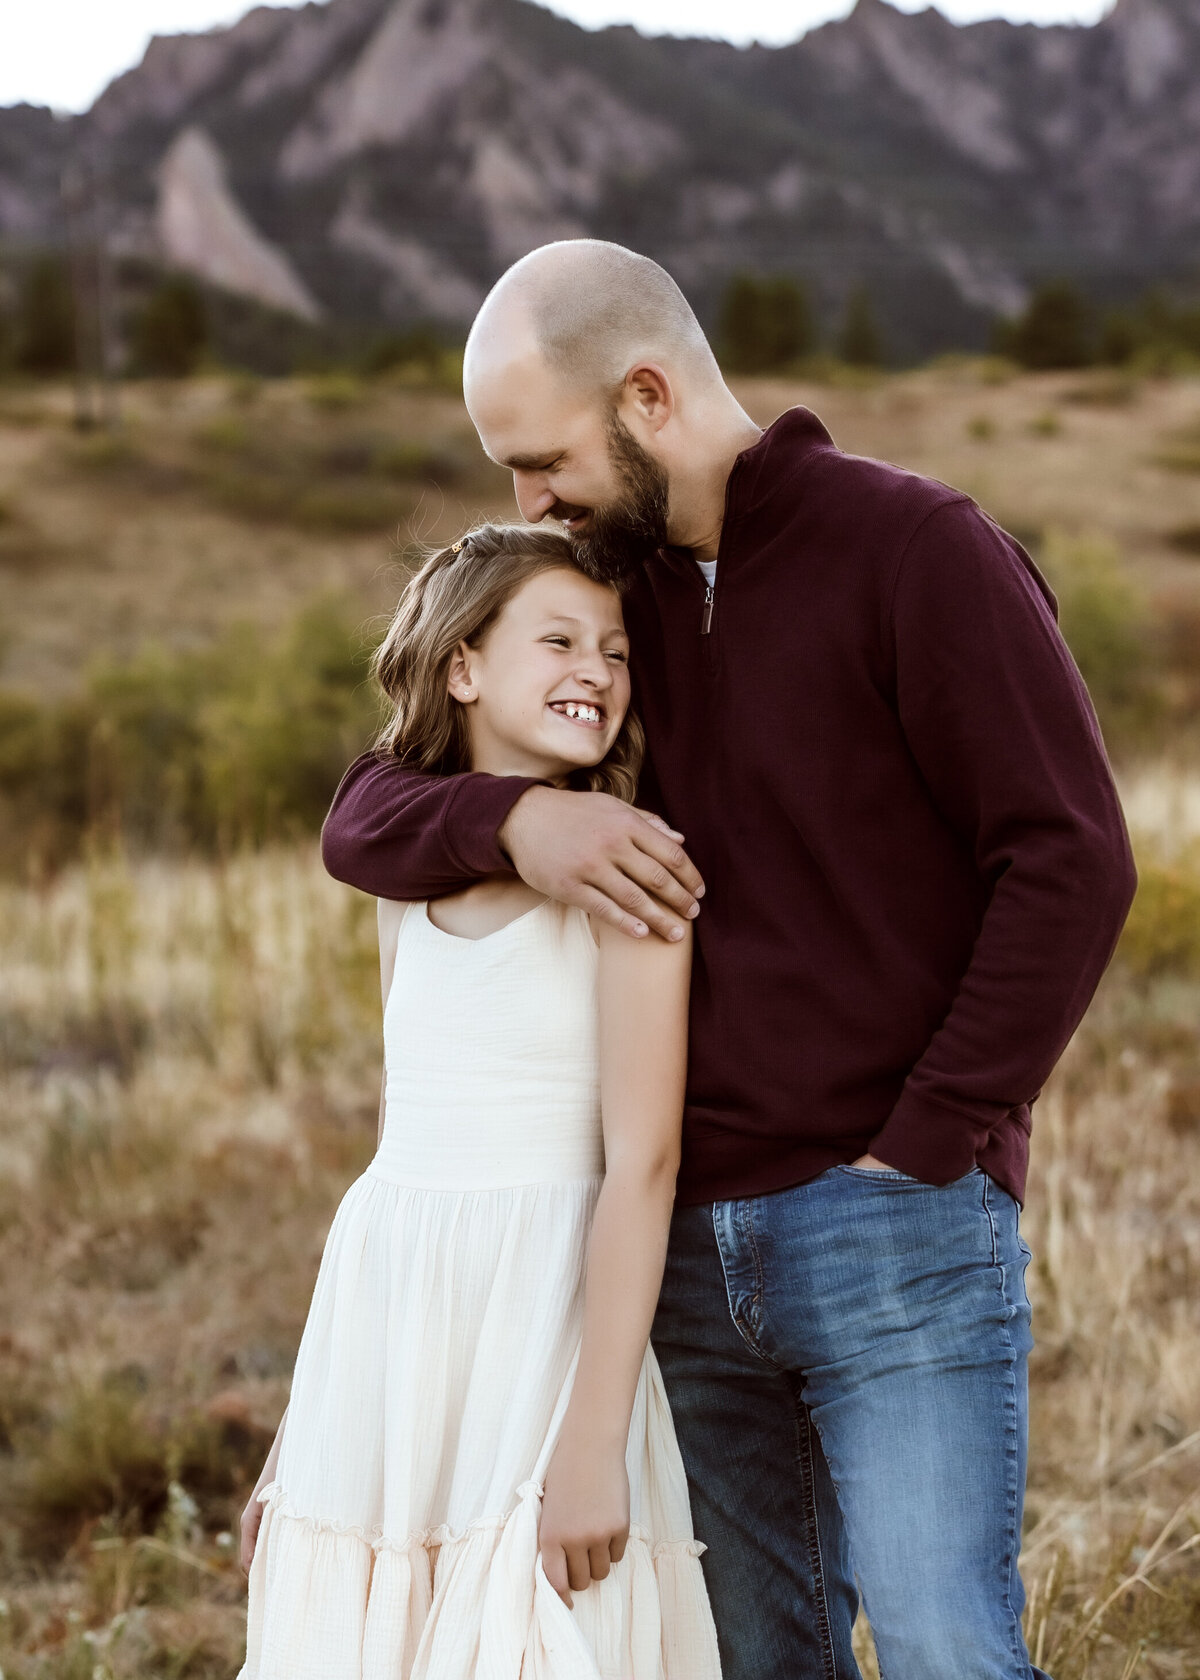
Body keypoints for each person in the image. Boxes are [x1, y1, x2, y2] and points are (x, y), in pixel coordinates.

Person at [321, 241, 1138, 1680]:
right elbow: (365, 812)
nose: (528, 501)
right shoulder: (617, 607)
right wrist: (518, 819)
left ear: (646, 394)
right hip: (680, 1257)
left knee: (948, 1646)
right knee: (762, 1661)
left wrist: (930, 1140)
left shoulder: (917, 549)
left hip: (892, 1223)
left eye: (542, 458)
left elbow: (1071, 858)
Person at [237, 523, 720, 1679]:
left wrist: (594, 1439)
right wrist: (299, 1442)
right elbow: (399, 1143)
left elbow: (642, 1166)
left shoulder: (631, 872)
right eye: (557, 639)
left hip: (547, 1310)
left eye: (614, 651)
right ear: (462, 668)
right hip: (393, 1303)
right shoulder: (408, 883)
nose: (596, 672)